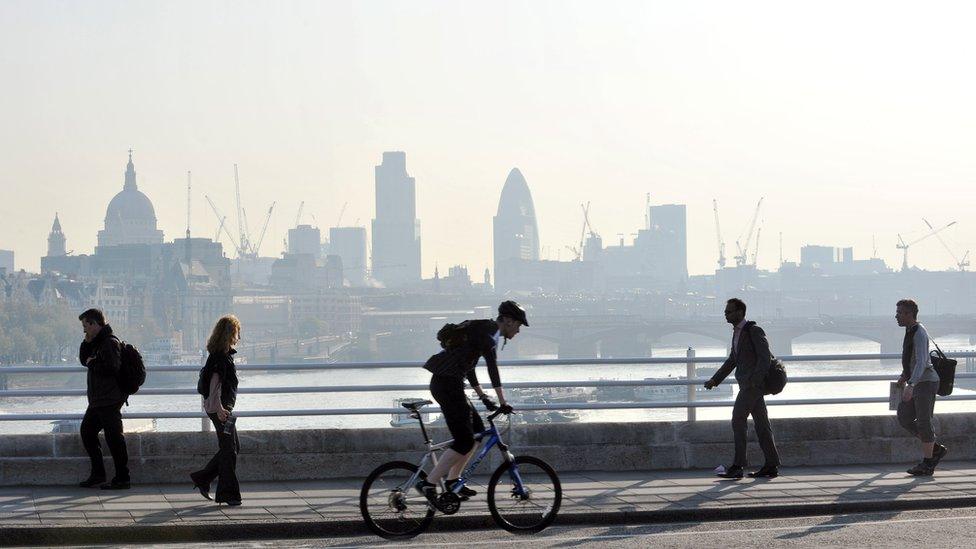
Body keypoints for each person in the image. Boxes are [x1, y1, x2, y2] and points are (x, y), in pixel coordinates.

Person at [414, 300, 527, 506]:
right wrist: (503, 402)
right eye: (518, 325)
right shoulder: (489, 335)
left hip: (450, 382)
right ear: (509, 321)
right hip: (446, 384)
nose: (518, 331)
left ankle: (452, 481)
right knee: (464, 440)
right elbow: (493, 370)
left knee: (476, 433)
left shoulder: (484, 331)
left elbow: (469, 367)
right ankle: (428, 483)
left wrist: (483, 396)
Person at [704, 298, 781, 479]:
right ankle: (771, 464)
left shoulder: (753, 331)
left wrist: (755, 380)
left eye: (729, 311)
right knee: (762, 425)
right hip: (749, 386)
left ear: (740, 312)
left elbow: (764, 358)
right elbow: (732, 360)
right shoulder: (737, 333)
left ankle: (738, 466)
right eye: (726, 312)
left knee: (738, 420)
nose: (726, 314)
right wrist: (715, 380)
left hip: (752, 386)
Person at [190, 315, 243, 505]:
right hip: (220, 409)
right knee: (229, 450)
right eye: (237, 331)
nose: (239, 336)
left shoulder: (219, 354)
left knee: (232, 447)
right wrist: (220, 408)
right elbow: (215, 384)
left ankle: (204, 478)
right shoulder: (221, 357)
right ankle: (228, 494)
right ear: (230, 333)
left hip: (219, 408)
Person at [77, 308, 130, 490]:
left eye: (86, 326)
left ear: (94, 324)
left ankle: (122, 478)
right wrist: (87, 342)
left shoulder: (109, 342)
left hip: (109, 398)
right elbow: (84, 359)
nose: (84, 330)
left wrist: (93, 363)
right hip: (99, 399)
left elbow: (112, 367)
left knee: (114, 438)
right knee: (88, 432)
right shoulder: (96, 342)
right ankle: (98, 474)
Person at [895, 299, 946, 476]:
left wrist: (911, 384)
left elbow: (923, 361)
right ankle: (935, 449)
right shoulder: (910, 330)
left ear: (909, 314)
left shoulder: (919, 332)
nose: (896, 316)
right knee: (904, 417)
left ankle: (927, 463)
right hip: (915, 381)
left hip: (925, 382)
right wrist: (904, 375)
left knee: (924, 421)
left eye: (900, 312)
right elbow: (912, 358)